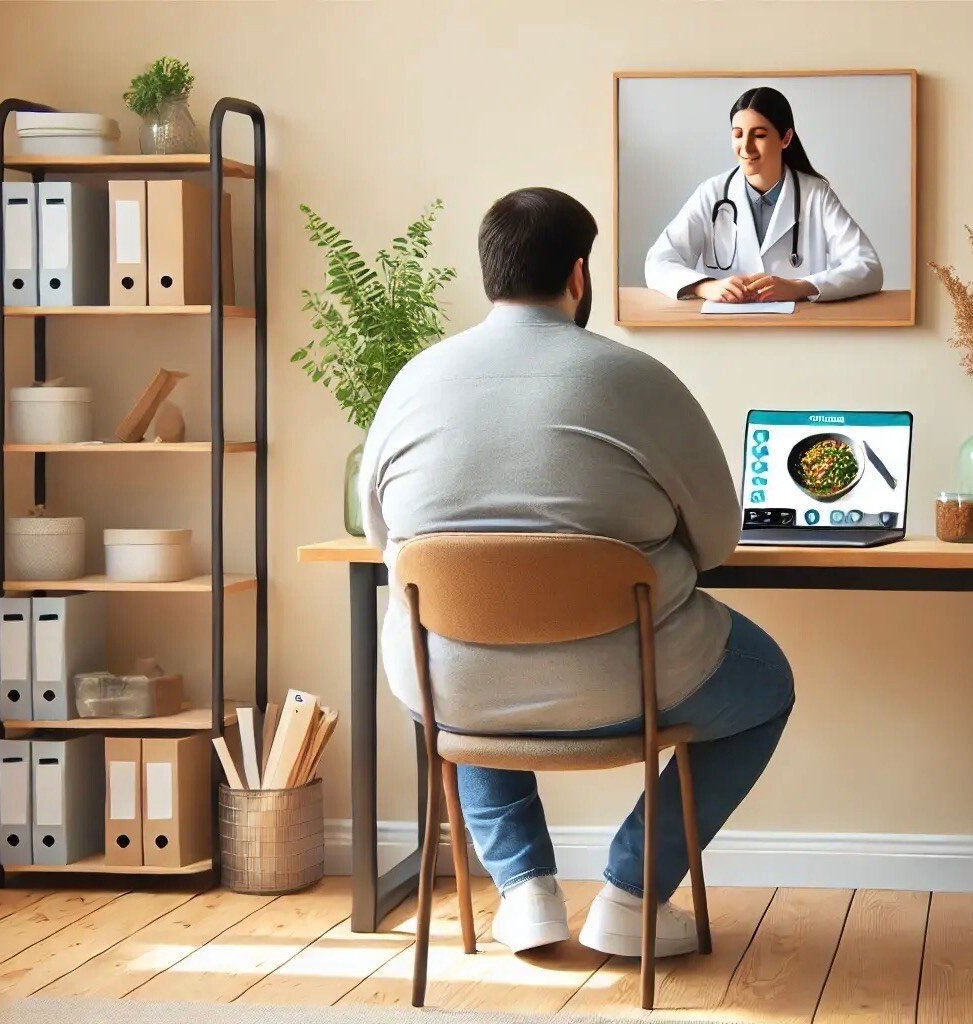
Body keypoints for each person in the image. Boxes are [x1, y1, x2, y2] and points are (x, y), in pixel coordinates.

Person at [359, 187, 795, 957]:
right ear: (579, 273)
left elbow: (382, 537)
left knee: (438, 682)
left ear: (489, 272)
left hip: (457, 686)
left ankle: (523, 890)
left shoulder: (411, 381)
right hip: (627, 679)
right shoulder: (637, 380)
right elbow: (719, 541)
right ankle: (631, 894)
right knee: (766, 685)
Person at [644, 86, 883, 303]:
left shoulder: (815, 195)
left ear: (785, 138)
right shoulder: (712, 193)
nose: (746, 147)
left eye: (758, 135)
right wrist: (704, 286)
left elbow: (868, 267)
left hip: (801, 332)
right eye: (738, 134)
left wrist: (799, 287)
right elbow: (658, 262)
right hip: (726, 332)